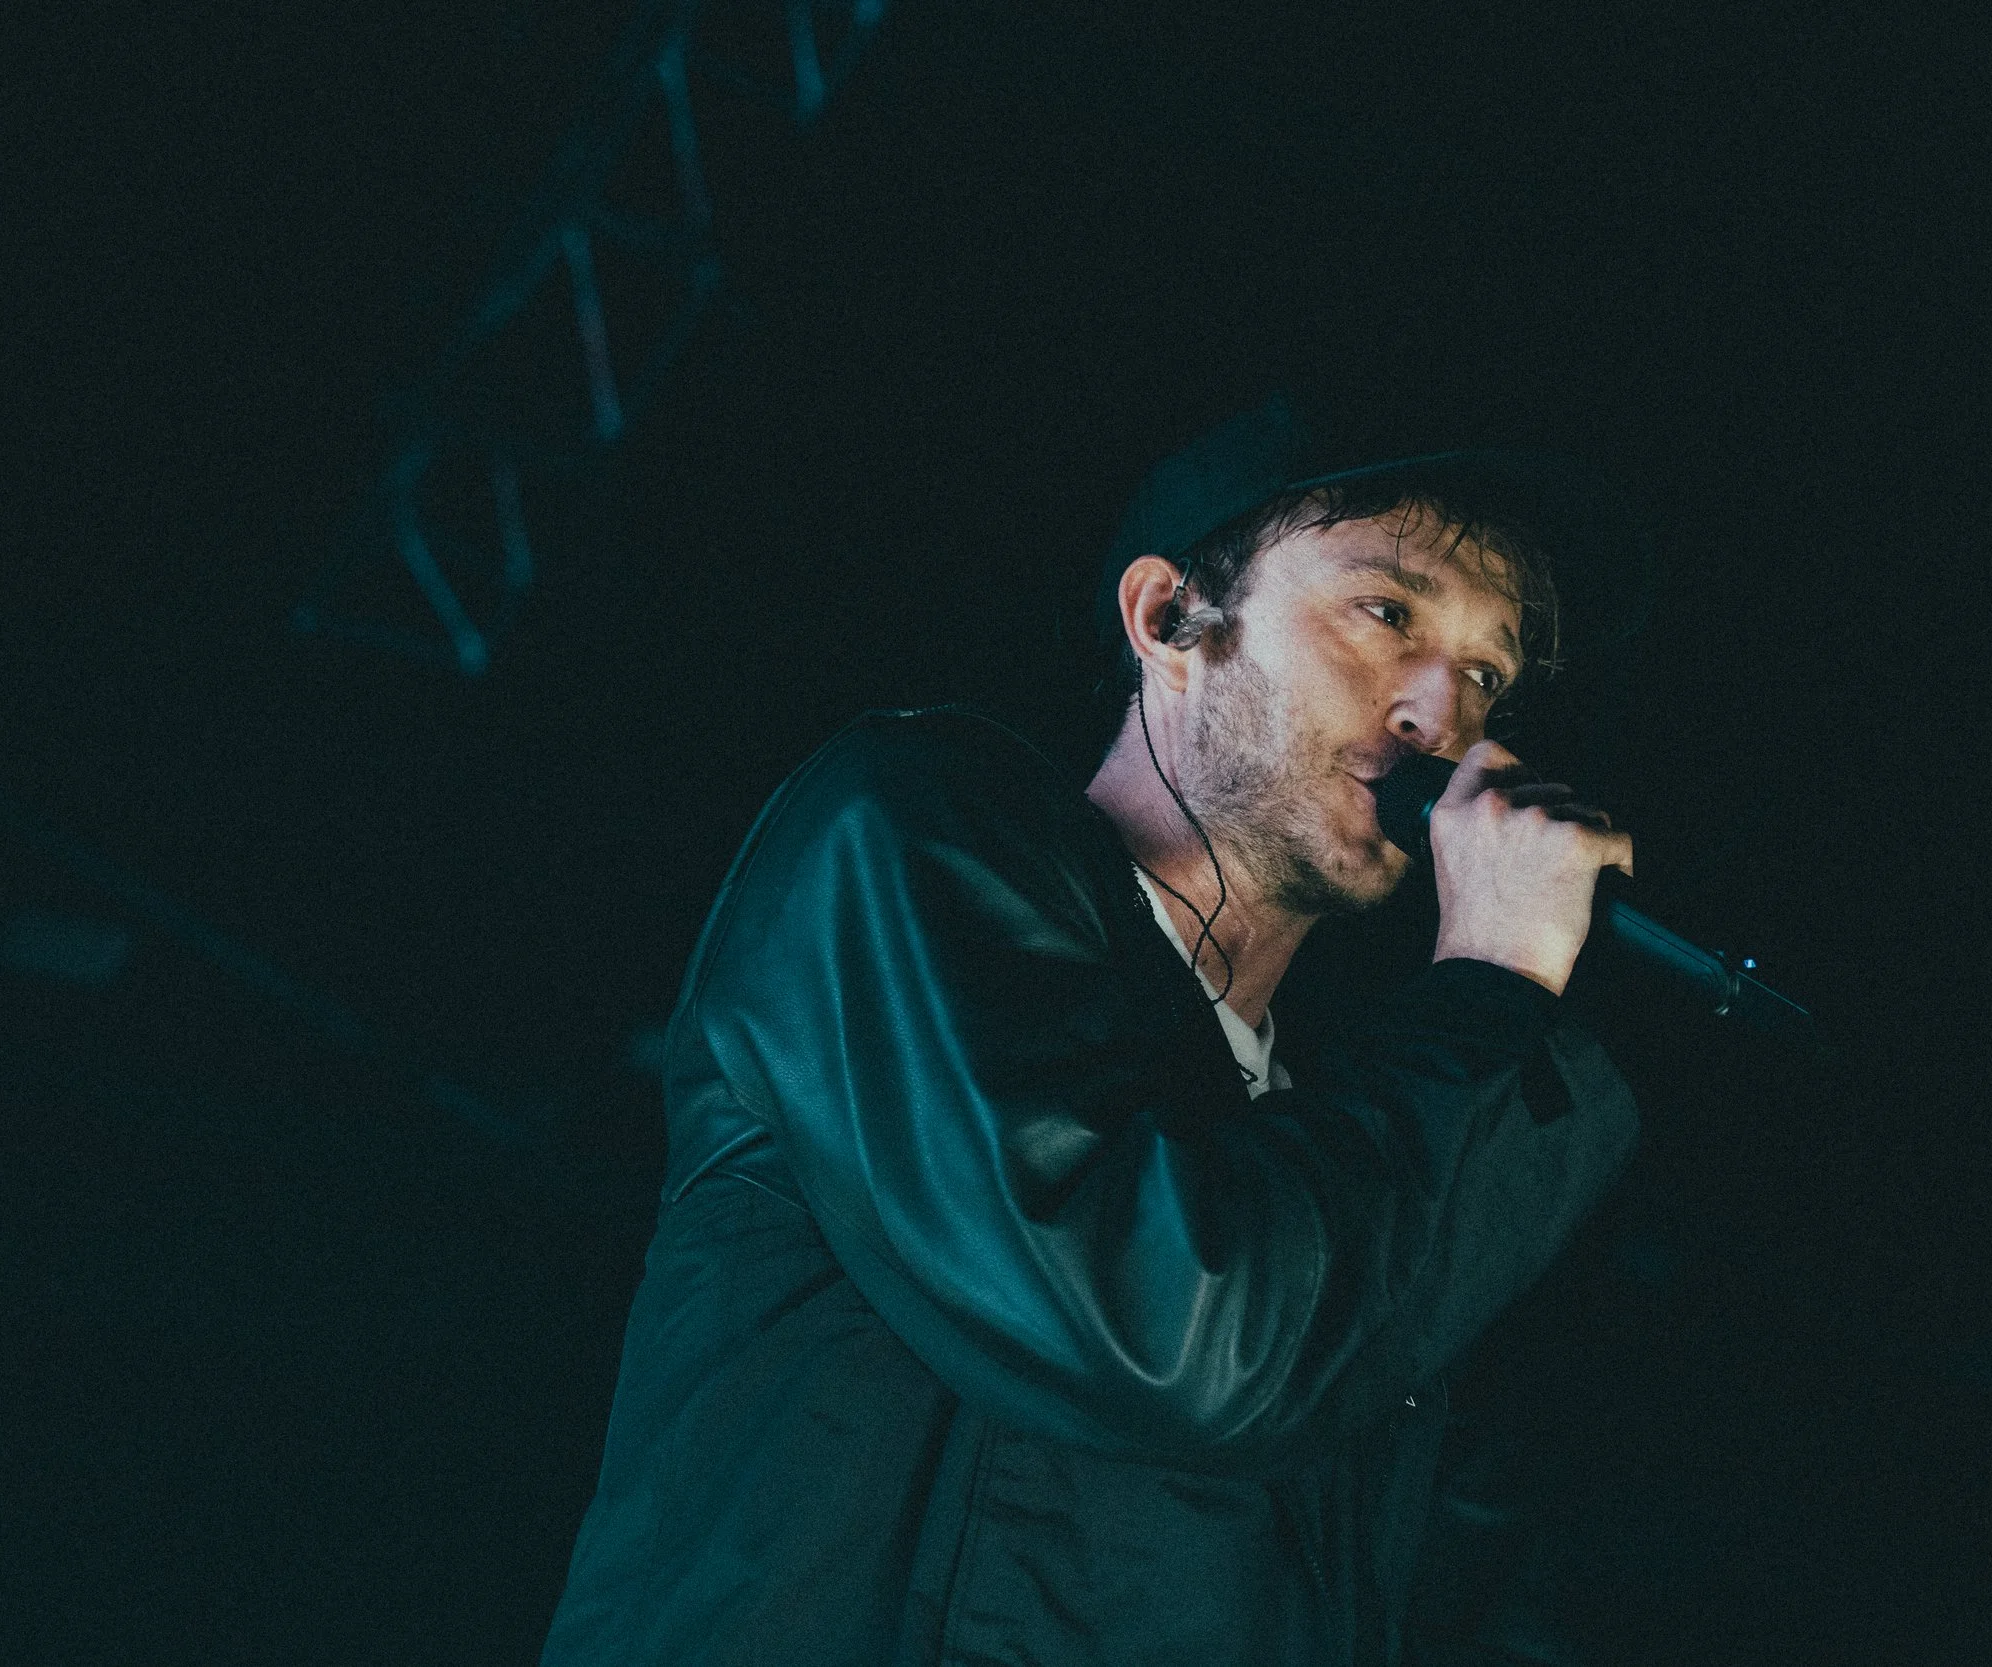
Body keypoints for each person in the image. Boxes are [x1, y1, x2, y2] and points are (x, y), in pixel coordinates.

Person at [540, 404, 1644, 1665]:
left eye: (1490, 670)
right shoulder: (909, 836)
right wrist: (1493, 988)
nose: (1441, 712)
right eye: (1387, 612)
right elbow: (1169, 1335)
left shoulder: (1339, 1148)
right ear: (1168, 619)